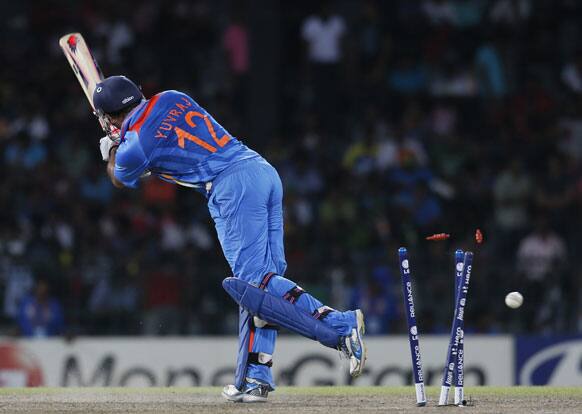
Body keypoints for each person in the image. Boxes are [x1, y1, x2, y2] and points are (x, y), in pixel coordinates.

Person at [93, 76, 366, 402]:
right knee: (265, 285)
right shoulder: (170, 97)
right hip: (261, 170)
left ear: (109, 116)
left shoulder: (135, 144)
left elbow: (121, 176)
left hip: (231, 188)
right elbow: (166, 146)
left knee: (256, 286)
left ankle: (340, 325)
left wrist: (111, 150)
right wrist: (122, 137)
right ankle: (255, 378)